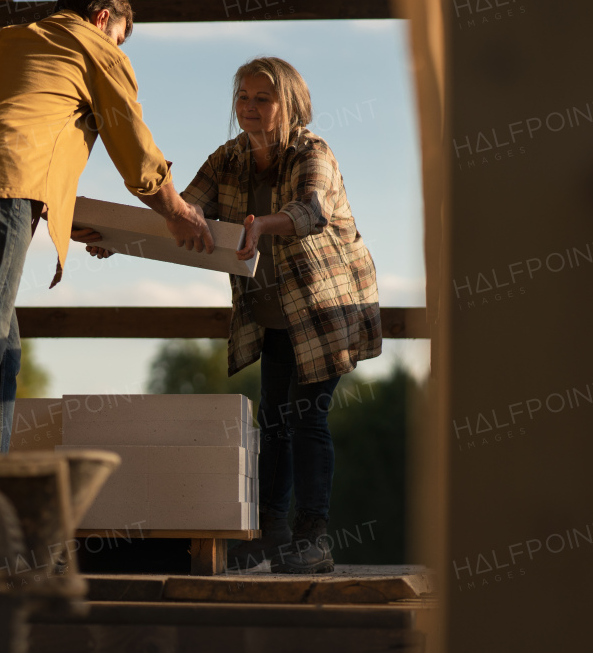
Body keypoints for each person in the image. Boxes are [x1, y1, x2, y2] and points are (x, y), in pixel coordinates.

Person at [78, 56, 381, 573]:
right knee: (274, 423)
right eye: (243, 97)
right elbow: (182, 211)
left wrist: (261, 225)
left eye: (263, 98)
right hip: (272, 313)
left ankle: (314, 539)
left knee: (308, 419)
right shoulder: (228, 159)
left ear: (290, 103)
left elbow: (312, 210)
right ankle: (272, 535)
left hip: (326, 311)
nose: (251, 108)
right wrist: (113, 239)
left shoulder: (314, 153)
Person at [0, 0, 215, 454]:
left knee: (1, 345)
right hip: (2, 187)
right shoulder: (95, 46)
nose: (116, 45)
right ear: (101, 18)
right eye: (118, 34)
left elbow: (12, 118)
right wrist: (176, 211)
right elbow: (130, 141)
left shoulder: (7, 40)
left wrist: (58, 212)